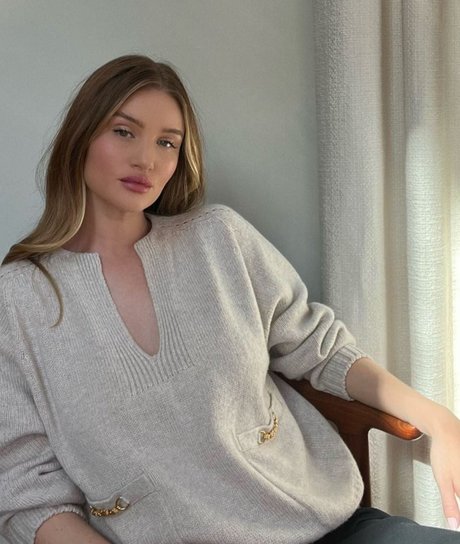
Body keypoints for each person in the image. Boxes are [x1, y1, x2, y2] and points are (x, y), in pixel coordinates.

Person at [0, 54, 459, 544]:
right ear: (81, 136)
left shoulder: (218, 239)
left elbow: (320, 348)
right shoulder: (19, 300)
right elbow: (26, 491)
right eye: (124, 132)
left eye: (167, 142)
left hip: (327, 529)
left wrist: (439, 419)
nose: (147, 160)